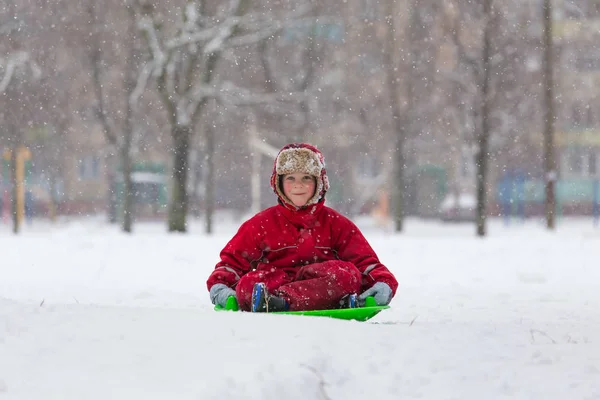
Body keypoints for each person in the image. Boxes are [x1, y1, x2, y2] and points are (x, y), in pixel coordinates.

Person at [206, 143, 398, 312]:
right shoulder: (261, 224)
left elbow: (365, 262)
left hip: (320, 285)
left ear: (319, 183)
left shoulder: (336, 223)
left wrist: (383, 283)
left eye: (306, 178)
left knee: (346, 276)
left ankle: (282, 302)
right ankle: (274, 300)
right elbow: (231, 263)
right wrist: (221, 287)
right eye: (290, 178)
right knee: (248, 285)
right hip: (272, 285)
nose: (298, 185)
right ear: (278, 182)